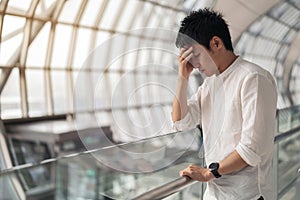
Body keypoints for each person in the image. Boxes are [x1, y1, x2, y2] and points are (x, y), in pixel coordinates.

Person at [172, 8, 277, 200]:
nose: (193, 64)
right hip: (215, 193)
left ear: (216, 43)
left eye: (194, 55)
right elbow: (181, 122)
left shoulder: (253, 78)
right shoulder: (210, 84)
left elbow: (252, 149)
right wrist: (182, 77)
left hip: (249, 195)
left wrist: (208, 173)